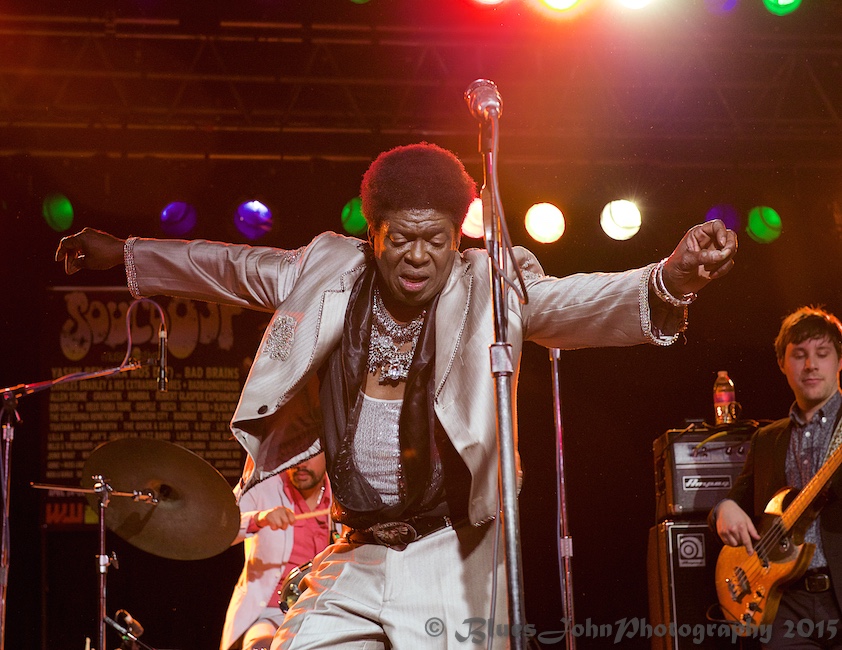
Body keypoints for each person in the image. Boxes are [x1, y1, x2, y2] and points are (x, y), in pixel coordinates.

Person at [55, 142, 737, 649]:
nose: (417, 256)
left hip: (451, 558)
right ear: (373, 234)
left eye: (435, 239)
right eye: (400, 238)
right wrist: (127, 254)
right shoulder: (328, 271)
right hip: (354, 552)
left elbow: (569, 302)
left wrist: (670, 278)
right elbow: (230, 266)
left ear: (456, 236)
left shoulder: (486, 285)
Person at [712, 306, 842, 648]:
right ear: (782, 364)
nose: (810, 365)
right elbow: (735, 502)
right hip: (784, 603)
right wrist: (724, 509)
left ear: (839, 362)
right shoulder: (766, 439)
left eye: (822, 354)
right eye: (799, 355)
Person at [221, 452, 334, 650]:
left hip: (319, 611)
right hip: (268, 611)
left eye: (311, 453)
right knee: (260, 645)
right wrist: (258, 519)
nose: (301, 462)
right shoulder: (264, 483)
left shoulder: (341, 494)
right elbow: (220, 528)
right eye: (295, 453)